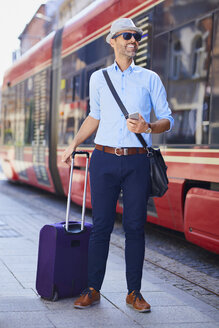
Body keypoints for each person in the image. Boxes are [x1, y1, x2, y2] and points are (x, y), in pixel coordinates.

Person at [62, 17, 174, 312]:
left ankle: (133, 292)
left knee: (135, 228)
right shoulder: (98, 78)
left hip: (137, 162)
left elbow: (168, 119)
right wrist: (73, 144)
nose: (133, 40)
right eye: (126, 35)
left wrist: (148, 127)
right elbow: (94, 116)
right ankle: (93, 289)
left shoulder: (150, 78)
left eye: (136, 36)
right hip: (104, 159)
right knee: (101, 227)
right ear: (112, 40)